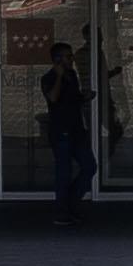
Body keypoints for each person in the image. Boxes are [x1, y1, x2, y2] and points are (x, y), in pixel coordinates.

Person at [42, 50, 97, 227]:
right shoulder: (48, 78)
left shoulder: (72, 75)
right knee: (63, 172)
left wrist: (84, 97)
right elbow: (53, 98)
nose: (72, 59)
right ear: (57, 59)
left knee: (89, 166)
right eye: (68, 56)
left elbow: (72, 99)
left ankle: (70, 203)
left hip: (77, 129)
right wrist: (58, 77)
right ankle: (61, 211)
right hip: (61, 131)